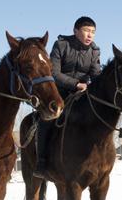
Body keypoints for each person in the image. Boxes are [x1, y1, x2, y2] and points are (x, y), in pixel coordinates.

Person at [33, 16, 101, 179]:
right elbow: (54, 73)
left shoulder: (94, 50)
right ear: (76, 31)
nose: (89, 35)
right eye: (86, 31)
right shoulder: (61, 45)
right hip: (59, 91)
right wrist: (75, 83)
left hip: (82, 93)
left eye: (93, 32)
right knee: (47, 119)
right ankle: (41, 162)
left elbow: (96, 74)